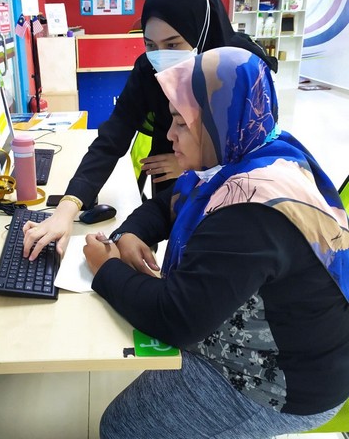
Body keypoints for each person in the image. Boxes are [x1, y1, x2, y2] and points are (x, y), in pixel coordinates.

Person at [83, 47, 349, 438]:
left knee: (122, 427)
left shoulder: (248, 210)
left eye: (182, 123)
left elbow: (175, 319)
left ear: (217, 121)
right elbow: (167, 204)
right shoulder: (249, 150)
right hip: (272, 338)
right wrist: (130, 233)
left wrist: (105, 268)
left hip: (286, 384)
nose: (169, 135)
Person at [23, 0, 278, 261]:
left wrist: (191, 165)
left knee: (204, 254)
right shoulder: (148, 70)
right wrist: (67, 209)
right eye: (150, 44)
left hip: (223, 185)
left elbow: (254, 157)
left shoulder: (242, 71)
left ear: (201, 33)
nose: (160, 57)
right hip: (170, 172)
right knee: (168, 245)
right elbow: (112, 137)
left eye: (173, 44)